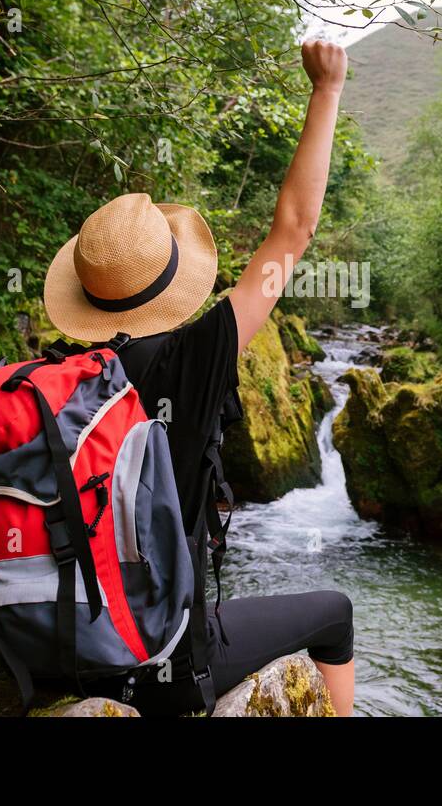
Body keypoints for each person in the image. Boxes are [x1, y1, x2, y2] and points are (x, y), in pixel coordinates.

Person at [41, 39, 355, 716]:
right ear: (172, 280)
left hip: (55, 651)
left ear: (86, 297)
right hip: (157, 658)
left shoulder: (54, 381)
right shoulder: (195, 358)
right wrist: (326, 90)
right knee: (337, 613)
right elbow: (293, 232)